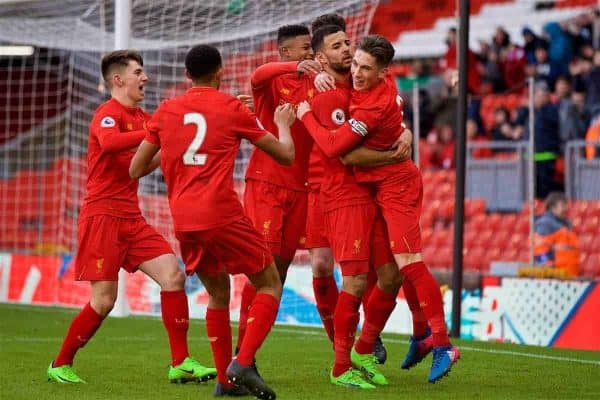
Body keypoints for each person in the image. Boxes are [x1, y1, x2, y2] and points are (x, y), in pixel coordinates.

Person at [129, 44, 296, 399]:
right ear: (220, 72)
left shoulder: (166, 110)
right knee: (269, 283)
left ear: (187, 76)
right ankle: (243, 363)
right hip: (221, 213)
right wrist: (283, 124)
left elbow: (136, 168)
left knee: (218, 294)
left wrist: (174, 148)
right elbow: (285, 154)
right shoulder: (231, 108)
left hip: (184, 220)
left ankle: (225, 381)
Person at [47, 50, 216, 384]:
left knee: (173, 276)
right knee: (104, 300)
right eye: (138, 72)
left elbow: (137, 167)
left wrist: (169, 144)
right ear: (118, 79)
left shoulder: (142, 118)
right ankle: (60, 363)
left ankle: (180, 362)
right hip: (102, 216)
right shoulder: (107, 115)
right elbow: (110, 144)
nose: (146, 78)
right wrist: (156, 130)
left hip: (131, 217)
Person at [298, 35, 459, 384]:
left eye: (362, 66)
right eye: (350, 58)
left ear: (382, 71)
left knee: (401, 267)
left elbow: (341, 150)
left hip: (392, 186)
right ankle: (350, 359)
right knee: (372, 277)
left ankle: (432, 340)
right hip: (352, 195)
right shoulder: (347, 88)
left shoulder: (370, 101)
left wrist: (305, 113)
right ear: (323, 56)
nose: (355, 69)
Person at [305, 24, 413, 389]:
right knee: (353, 279)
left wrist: (406, 133)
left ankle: (363, 350)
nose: (348, 52)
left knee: (392, 274)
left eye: (348, 43)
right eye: (338, 47)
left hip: (374, 194)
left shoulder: (366, 85)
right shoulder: (326, 94)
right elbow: (343, 152)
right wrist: (391, 156)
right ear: (321, 58)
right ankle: (340, 366)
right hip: (344, 195)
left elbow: (392, 116)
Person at [534, 192, 580, 278]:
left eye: (566, 205)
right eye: (563, 205)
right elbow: (540, 248)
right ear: (552, 207)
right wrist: (549, 270)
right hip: (557, 277)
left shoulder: (566, 224)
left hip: (570, 274)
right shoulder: (545, 223)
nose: (566, 209)